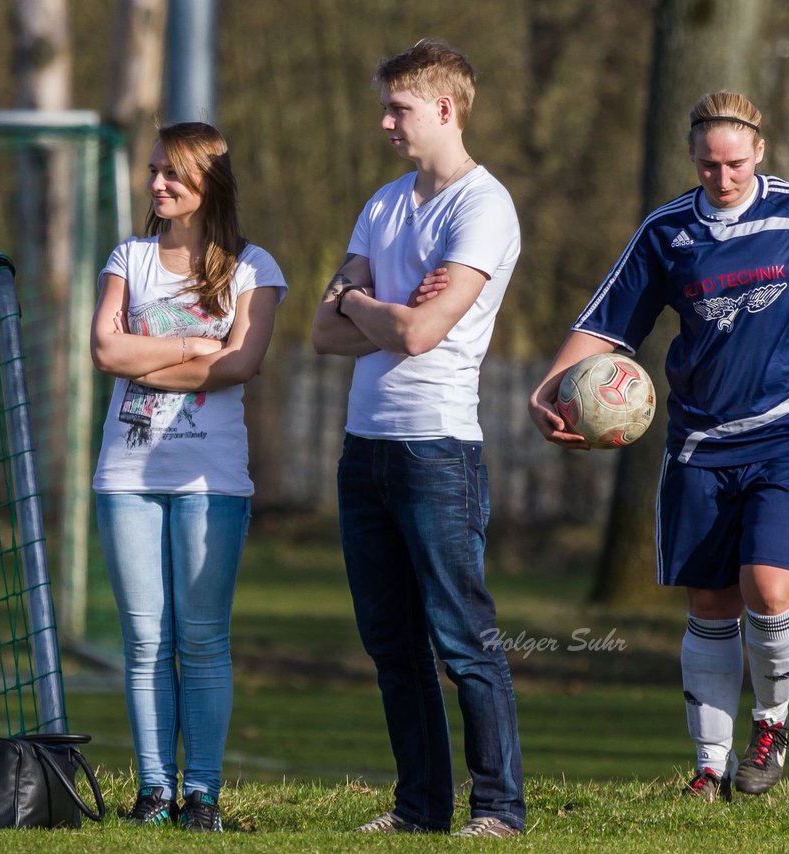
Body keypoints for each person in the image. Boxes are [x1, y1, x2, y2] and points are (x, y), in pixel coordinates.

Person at [529, 91, 789, 800]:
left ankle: (770, 726)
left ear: (760, 152)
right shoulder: (667, 232)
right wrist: (552, 387)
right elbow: (608, 320)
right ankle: (710, 767)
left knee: (768, 589)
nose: (722, 178)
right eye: (708, 165)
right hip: (699, 444)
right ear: (692, 158)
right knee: (710, 605)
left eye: (735, 163)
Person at [310, 40, 525, 838]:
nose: (385, 122)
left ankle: (499, 809)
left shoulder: (483, 206)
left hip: (437, 451)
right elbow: (322, 336)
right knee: (390, 643)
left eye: (398, 108)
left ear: (445, 108)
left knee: (463, 640)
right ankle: (419, 808)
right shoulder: (384, 202)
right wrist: (385, 312)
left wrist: (368, 302)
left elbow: (421, 332)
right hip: (362, 447)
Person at [90, 122, 286, 833]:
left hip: (213, 482)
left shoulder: (253, 267)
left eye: (172, 174)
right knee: (145, 643)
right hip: (126, 476)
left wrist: (151, 356)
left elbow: (242, 363)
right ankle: (152, 792)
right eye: (153, 172)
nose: (157, 185)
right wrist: (190, 346)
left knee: (202, 640)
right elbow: (105, 352)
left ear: (210, 182)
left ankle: (200, 795)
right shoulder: (130, 258)